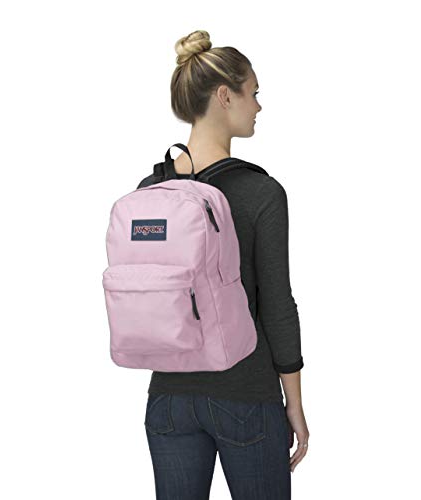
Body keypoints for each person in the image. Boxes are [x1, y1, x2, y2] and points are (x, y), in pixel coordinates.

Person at [137, 29, 309, 500]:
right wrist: (294, 403)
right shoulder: (261, 192)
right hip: (246, 396)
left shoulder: (150, 191)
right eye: (253, 93)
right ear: (224, 95)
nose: (258, 106)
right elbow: (277, 306)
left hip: (168, 400)